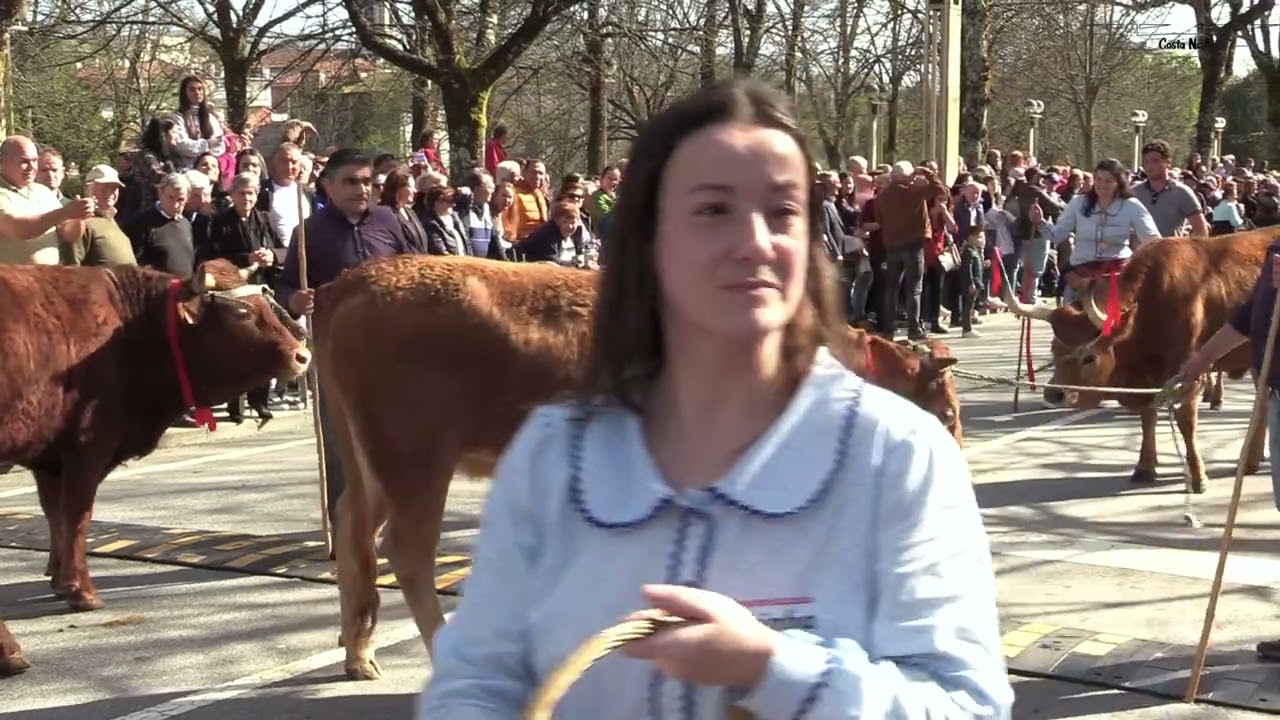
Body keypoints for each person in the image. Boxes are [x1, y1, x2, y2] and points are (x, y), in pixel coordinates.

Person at [417, 79, 1012, 719]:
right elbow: (475, 683)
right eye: (713, 210)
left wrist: (773, 667)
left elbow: (966, 705)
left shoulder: (896, 456)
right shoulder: (555, 454)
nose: (756, 241)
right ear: (651, 242)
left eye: (783, 211)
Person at [276, 147, 420, 537]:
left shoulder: (390, 220)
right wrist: (294, 299)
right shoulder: (309, 233)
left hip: (391, 351)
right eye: (351, 181)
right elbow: (286, 285)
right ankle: (347, 530)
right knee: (341, 444)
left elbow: (417, 269)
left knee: (395, 440)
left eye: (367, 181)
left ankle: (394, 525)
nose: (362, 189)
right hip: (338, 351)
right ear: (328, 185)